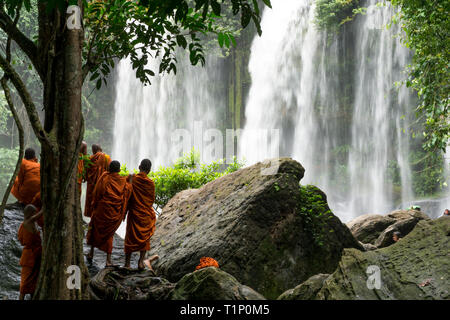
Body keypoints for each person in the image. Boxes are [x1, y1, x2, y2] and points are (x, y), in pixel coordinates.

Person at [86, 161, 132, 266]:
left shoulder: (104, 177)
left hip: (101, 210)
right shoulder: (122, 181)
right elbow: (128, 190)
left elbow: (97, 193)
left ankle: (91, 253)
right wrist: (131, 180)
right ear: (119, 170)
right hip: (113, 212)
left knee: (94, 229)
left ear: (109, 169)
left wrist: (95, 204)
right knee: (109, 234)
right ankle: (108, 260)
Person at [124, 159, 159, 270]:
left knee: (130, 237)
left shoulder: (132, 179)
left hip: (134, 213)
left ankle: (127, 264)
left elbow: (126, 192)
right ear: (149, 170)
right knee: (145, 239)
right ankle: (140, 262)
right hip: (145, 214)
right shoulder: (151, 183)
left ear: (139, 167)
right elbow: (151, 200)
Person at [18, 204, 43, 300]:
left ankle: (33, 296)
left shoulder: (28, 222)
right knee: (25, 280)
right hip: (29, 256)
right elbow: (40, 214)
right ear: (30, 214)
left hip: (34, 254)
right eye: (34, 213)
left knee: (34, 279)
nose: (35, 215)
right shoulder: (28, 222)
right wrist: (44, 207)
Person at [84, 144, 111, 217]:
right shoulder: (106, 157)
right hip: (101, 185)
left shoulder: (90, 159)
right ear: (100, 148)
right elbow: (110, 171)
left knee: (91, 201)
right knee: (99, 201)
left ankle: (91, 219)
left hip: (91, 185)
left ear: (93, 150)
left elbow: (86, 174)